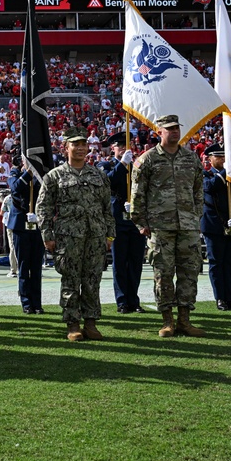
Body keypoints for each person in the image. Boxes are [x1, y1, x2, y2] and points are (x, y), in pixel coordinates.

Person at [130, 115, 206, 337]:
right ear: (159, 132)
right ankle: (167, 321)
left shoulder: (191, 159)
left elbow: (198, 191)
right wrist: (140, 222)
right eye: (169, 129)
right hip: (160, 227)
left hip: (187, 226)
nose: (174, 132)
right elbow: (137, 194)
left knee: (189, 272)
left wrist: (195, 217)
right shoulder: (148, 160)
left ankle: (185, 320)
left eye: (176, 128)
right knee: (163, 273)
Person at [37, 128, 115, 342]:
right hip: (67, 237)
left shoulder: (98, 174)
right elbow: (43, 207)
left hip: (96, 236)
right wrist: (47, 235)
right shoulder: (54, 176)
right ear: (66, 148)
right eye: (75, 145)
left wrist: (110, 235)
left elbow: (106, 208)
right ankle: (73, 324)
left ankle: (91, 323)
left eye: (83, 145)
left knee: (92, 281)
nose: (80, 148)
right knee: (70, 280)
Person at [99, 132, 146, 314]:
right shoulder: (106, 165)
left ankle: (133, 300)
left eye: (128, 146)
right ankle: (122, 301)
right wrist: (122, 164)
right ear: (113, 148)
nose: (124, 149)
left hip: (135, 220)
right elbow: (107, 183)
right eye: (120, 146)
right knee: (119, 263)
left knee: (135, 262)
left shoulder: (137, 166)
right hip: (116, 220)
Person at [201, 143, 231, 311]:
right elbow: (209, 187)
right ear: (209, 159)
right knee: (216, 263)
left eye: (224, 156)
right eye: (219, 157)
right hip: (214, 225)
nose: (223, 159)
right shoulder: (204, 174)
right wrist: (225, 172)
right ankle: (220, 298)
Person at [7, 159, 46, 314]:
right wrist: (28, 173)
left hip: (36, 223)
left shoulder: (41, 174)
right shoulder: (15, 172)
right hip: (20, 224)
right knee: (23, 266)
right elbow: (15, 188)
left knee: (36, 266)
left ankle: (37, 302)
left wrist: (38, 215)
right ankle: (26, 303)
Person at [0, 189, 18, 278]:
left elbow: (1, 212)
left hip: (11, 224)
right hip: (21, 224)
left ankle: (13, 270)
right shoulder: (22, 196)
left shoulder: (8, 198)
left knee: (12, 247)